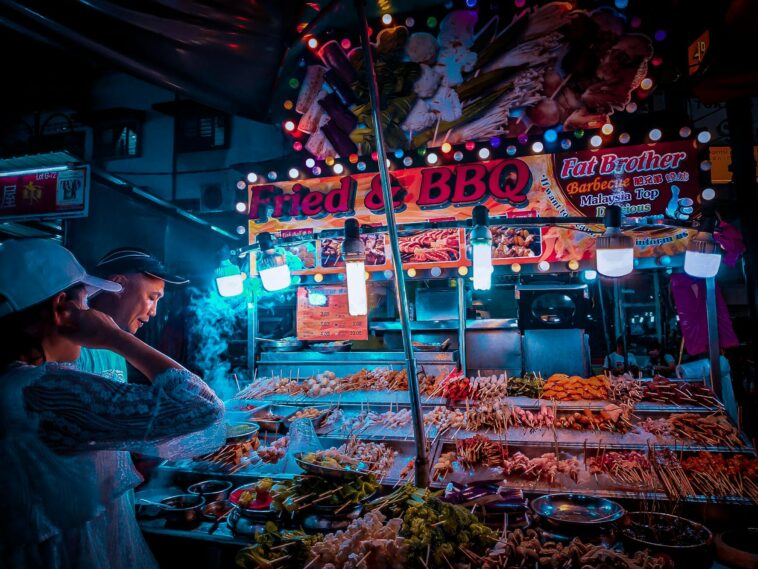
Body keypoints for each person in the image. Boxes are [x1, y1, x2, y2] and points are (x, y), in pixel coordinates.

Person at [0, 239, 224, 569]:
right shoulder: (41, 389)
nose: (91, 311)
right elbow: (200, 405)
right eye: (85, 302)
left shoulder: (19, 380)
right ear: (62, 308)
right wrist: (115, 337)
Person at [68, 247, 190, 569]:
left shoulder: (116, 345)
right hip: (74, 510)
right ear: (117, 284)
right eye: (152, 297)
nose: (153, 311)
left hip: (113, 503)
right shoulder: (67, 348)